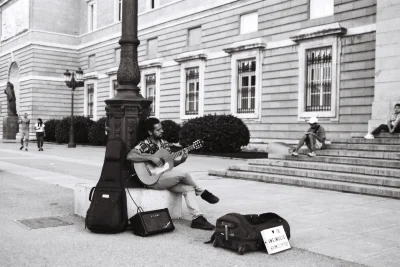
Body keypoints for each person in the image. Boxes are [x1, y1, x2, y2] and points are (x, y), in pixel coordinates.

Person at [127, 118, 219, 230]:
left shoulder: (164, 144)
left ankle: (197, 218)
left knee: (189, 188)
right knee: (184, 173)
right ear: (150, 132)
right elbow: (130, 156)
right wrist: (151, 157)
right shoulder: (145, 144)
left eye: (161, 128)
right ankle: (202, 191)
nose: (162, 131)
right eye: (158, 130)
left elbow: (169, 165)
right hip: (151, 180)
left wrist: (182, 160)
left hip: (165, 177)